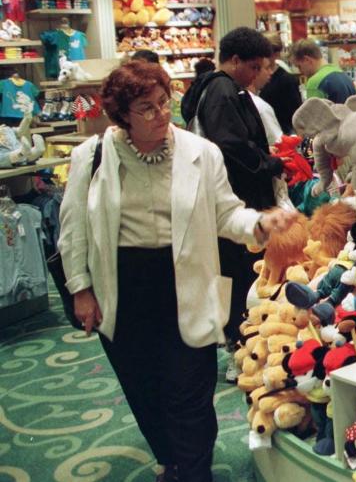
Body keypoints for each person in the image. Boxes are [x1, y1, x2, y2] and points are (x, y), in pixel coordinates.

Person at [59, 60, 297, 482]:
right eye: (146, 109)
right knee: (144, 386)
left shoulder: (200, 153)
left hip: (187, 279)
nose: (160, 115)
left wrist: (259, 224)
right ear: (121, 117)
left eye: (163, 103)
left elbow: (226, 214)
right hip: (124, 285)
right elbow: (73, 227)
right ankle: (169, 457)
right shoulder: (91, 156)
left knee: (191, 391)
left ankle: (192, 470)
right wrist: (81, 289)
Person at [180, 27, 286, 381]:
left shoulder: (212, 87)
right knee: (241, 274)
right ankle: (238, 347)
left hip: (227, 196)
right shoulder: (222, 91)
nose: (257, 76)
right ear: (235, 60)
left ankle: (238, 342)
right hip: (234, 197)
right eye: (253, 67)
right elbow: (231, 146)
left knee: (235, 273)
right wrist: (267, 163)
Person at [258, 32, 302, 134]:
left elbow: (295, 114)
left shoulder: (287, 80)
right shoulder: (252, 76)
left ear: (276, 54)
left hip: (281, 134)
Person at [290, 40, 355, 103]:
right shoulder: (342, 73)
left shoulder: (315, 82)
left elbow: (314, 113)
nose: (300, 71)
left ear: (307, 60)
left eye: (299, 66)